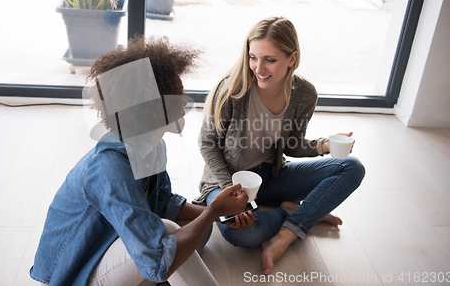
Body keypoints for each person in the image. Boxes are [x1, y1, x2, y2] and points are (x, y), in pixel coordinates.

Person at [30, 37, 252, 286]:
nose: (185, 98)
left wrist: (221, 215)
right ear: (154, 108)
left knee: (197, 228)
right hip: (79, 272)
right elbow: (156, 261)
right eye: (177, 94)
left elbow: (162, 201)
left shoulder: (152, 145)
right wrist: (213, 210)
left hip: (116, 243)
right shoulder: (109, 168)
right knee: (169, 231)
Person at [193, 17, 366, 275]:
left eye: (269, 60)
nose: (258, 68)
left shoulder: (304, 93)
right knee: (243, 235)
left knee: (352, 167)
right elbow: (207, 143)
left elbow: (291, 146)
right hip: (225, 182)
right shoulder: (231, 89)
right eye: (253, 57)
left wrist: (323, 145)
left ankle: (287, 234)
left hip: (271, 176)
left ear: (292, 58)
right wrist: (231, 189)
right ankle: (305, 213)